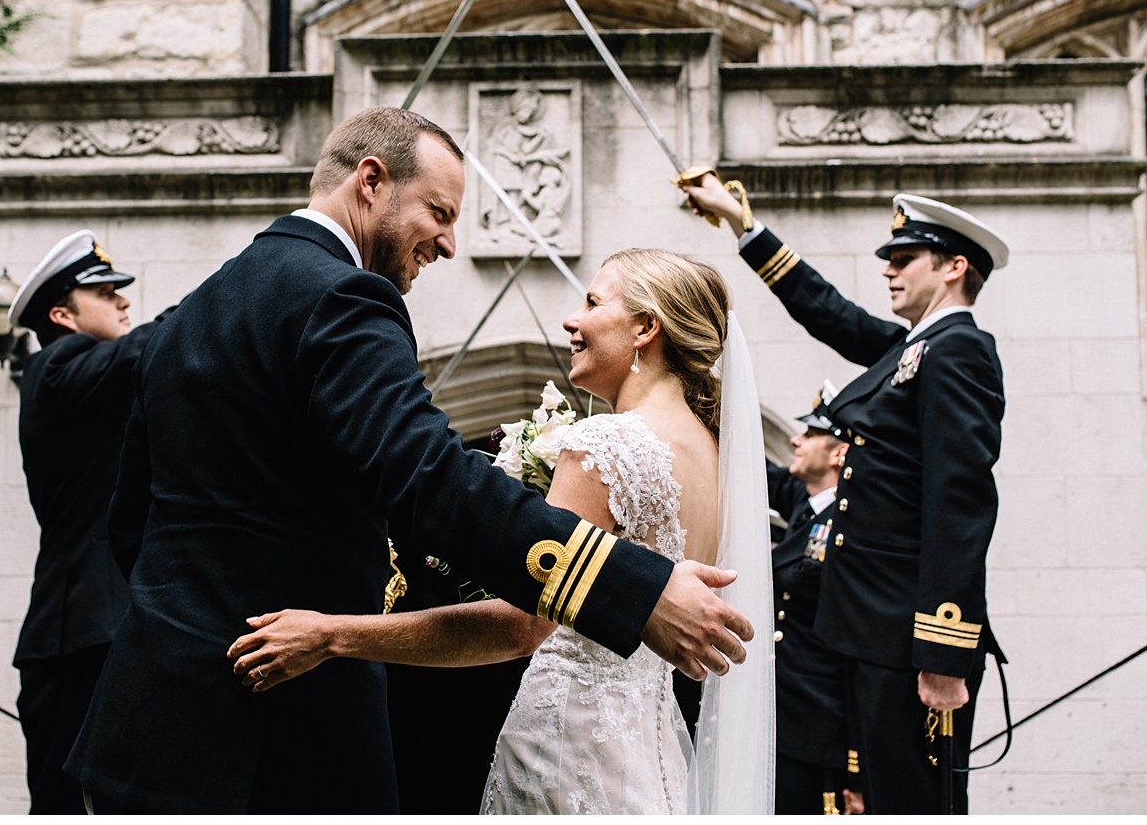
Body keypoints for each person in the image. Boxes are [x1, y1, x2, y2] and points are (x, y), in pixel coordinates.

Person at [64, 108, 755, 813]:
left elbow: (129, 521)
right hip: (276, 734)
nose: (451, 243)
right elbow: (428, 477)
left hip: (142, 725)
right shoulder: (345, 298)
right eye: (439, 212)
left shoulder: (190, 311)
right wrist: (628, 587)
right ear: (372, 182)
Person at [227, 248, 776, 814]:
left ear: (645, 328)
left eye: (591, 302)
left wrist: (332, 636)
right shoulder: (716, 457)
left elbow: (522, 628)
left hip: (569, 745)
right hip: (654, 753)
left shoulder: (605, 445)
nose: (572, 320)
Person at [679, 173, 1007, 814]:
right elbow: (828, 313)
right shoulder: (912, 348)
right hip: (867, 629)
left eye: (904, 259)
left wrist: (946, 647)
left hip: (909, 635)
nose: (888, 271)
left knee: (913, 801)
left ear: (954, 267)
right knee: (883, 799)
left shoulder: (958, 350)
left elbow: (960, 499)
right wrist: (745, 227)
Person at [8, 231, 164, 814]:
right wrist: (237, 291)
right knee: (65, 807)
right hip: (78, 636)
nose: (123, 301)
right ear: (61, 315)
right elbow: (143, 349)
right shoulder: (54, 366)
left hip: (109, 629)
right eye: (103, 292)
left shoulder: (94, 385)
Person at [769, 382, 863, 815]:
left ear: (838, 452)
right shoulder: (806, 507)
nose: (794, 438)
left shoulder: (852, 523)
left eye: (809, 435)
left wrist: (854, 766)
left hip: (819, 726)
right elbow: (751, 468)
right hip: (785, 716)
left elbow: (856, 646)